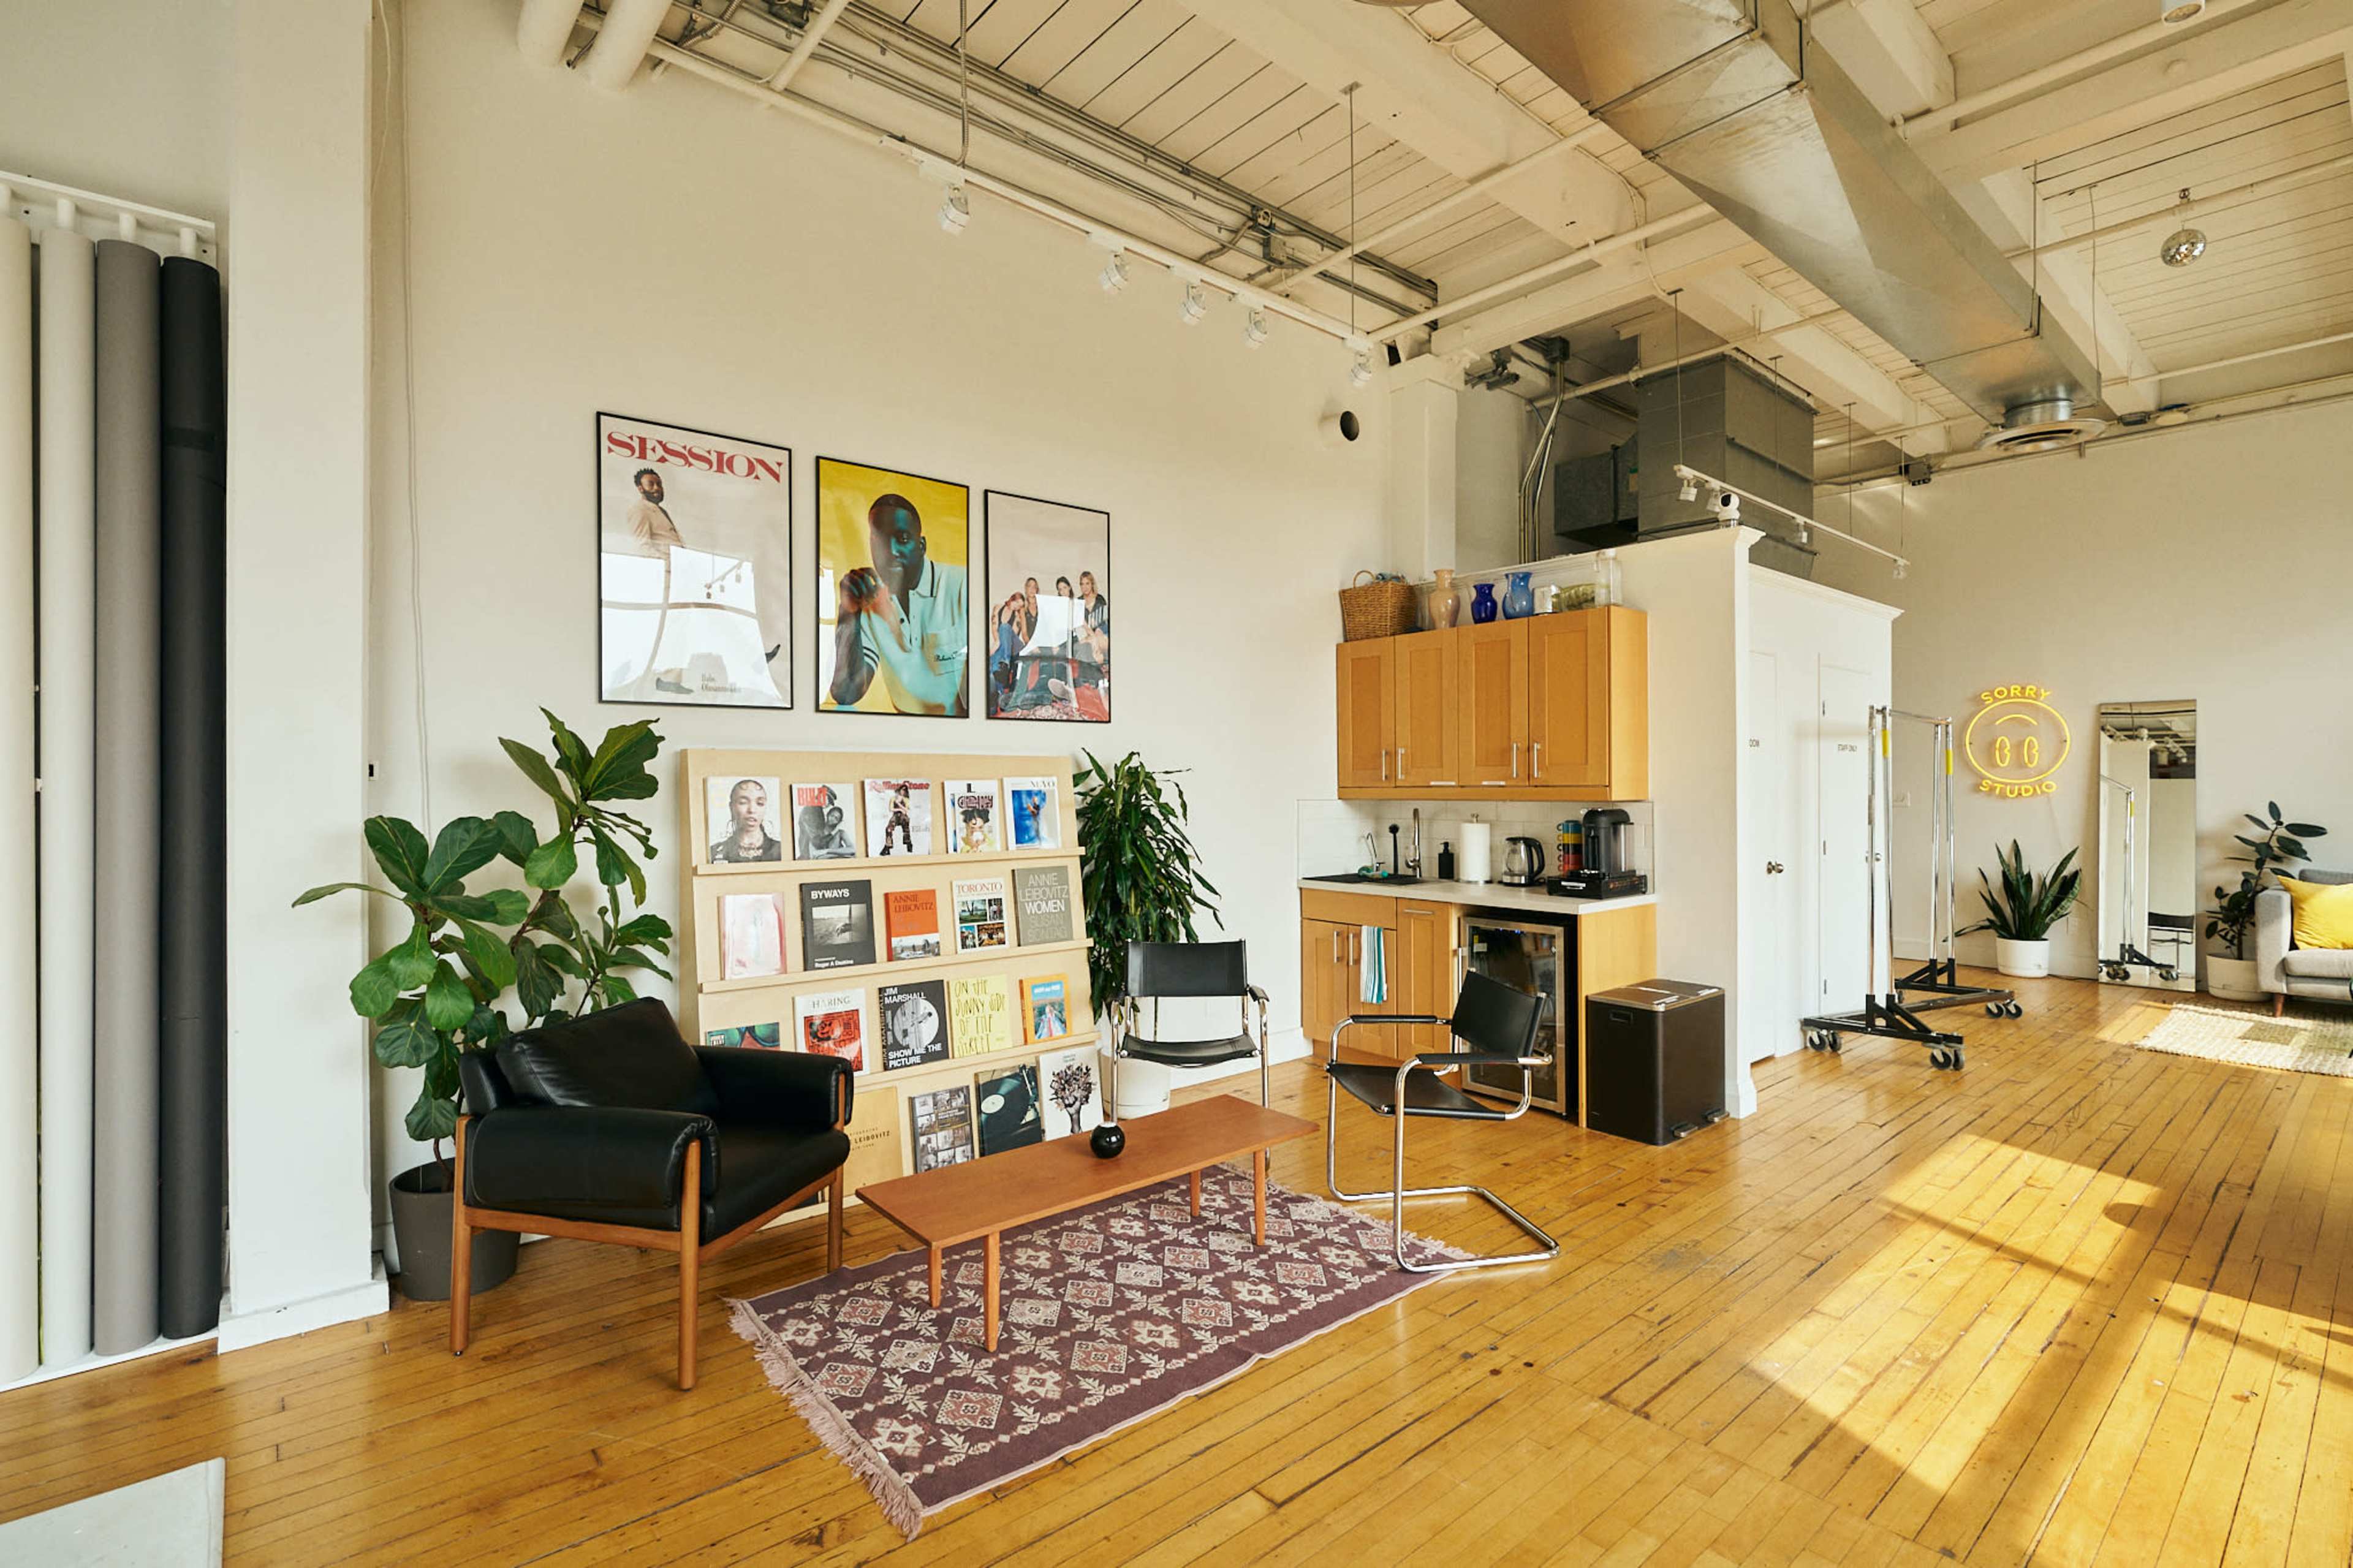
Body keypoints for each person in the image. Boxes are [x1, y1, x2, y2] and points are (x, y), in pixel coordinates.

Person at [828, 492, 968, 715]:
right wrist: (848, 612)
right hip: (904, 732)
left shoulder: (962, 586)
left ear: (921, 545)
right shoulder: (868, 600)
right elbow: (846, 694)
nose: (890, 552)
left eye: (902, 539)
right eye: (879, 540)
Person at [708, 778, 783, 863]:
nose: (752, 810)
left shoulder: (780, 850)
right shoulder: (715, 853)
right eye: (743, 802)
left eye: (760, 803)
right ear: (731, 807)